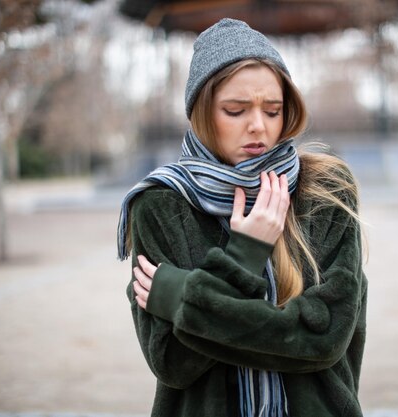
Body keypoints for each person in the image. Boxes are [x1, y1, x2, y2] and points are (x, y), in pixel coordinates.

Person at [117, 18, 368, 417]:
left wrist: (184, 298)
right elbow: (172, 363)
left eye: (273, 110)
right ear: (202, 113)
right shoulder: (161, 205)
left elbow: (323, 340)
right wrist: (244, 256)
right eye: (235, 110)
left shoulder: (327, 190)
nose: (258, 127)